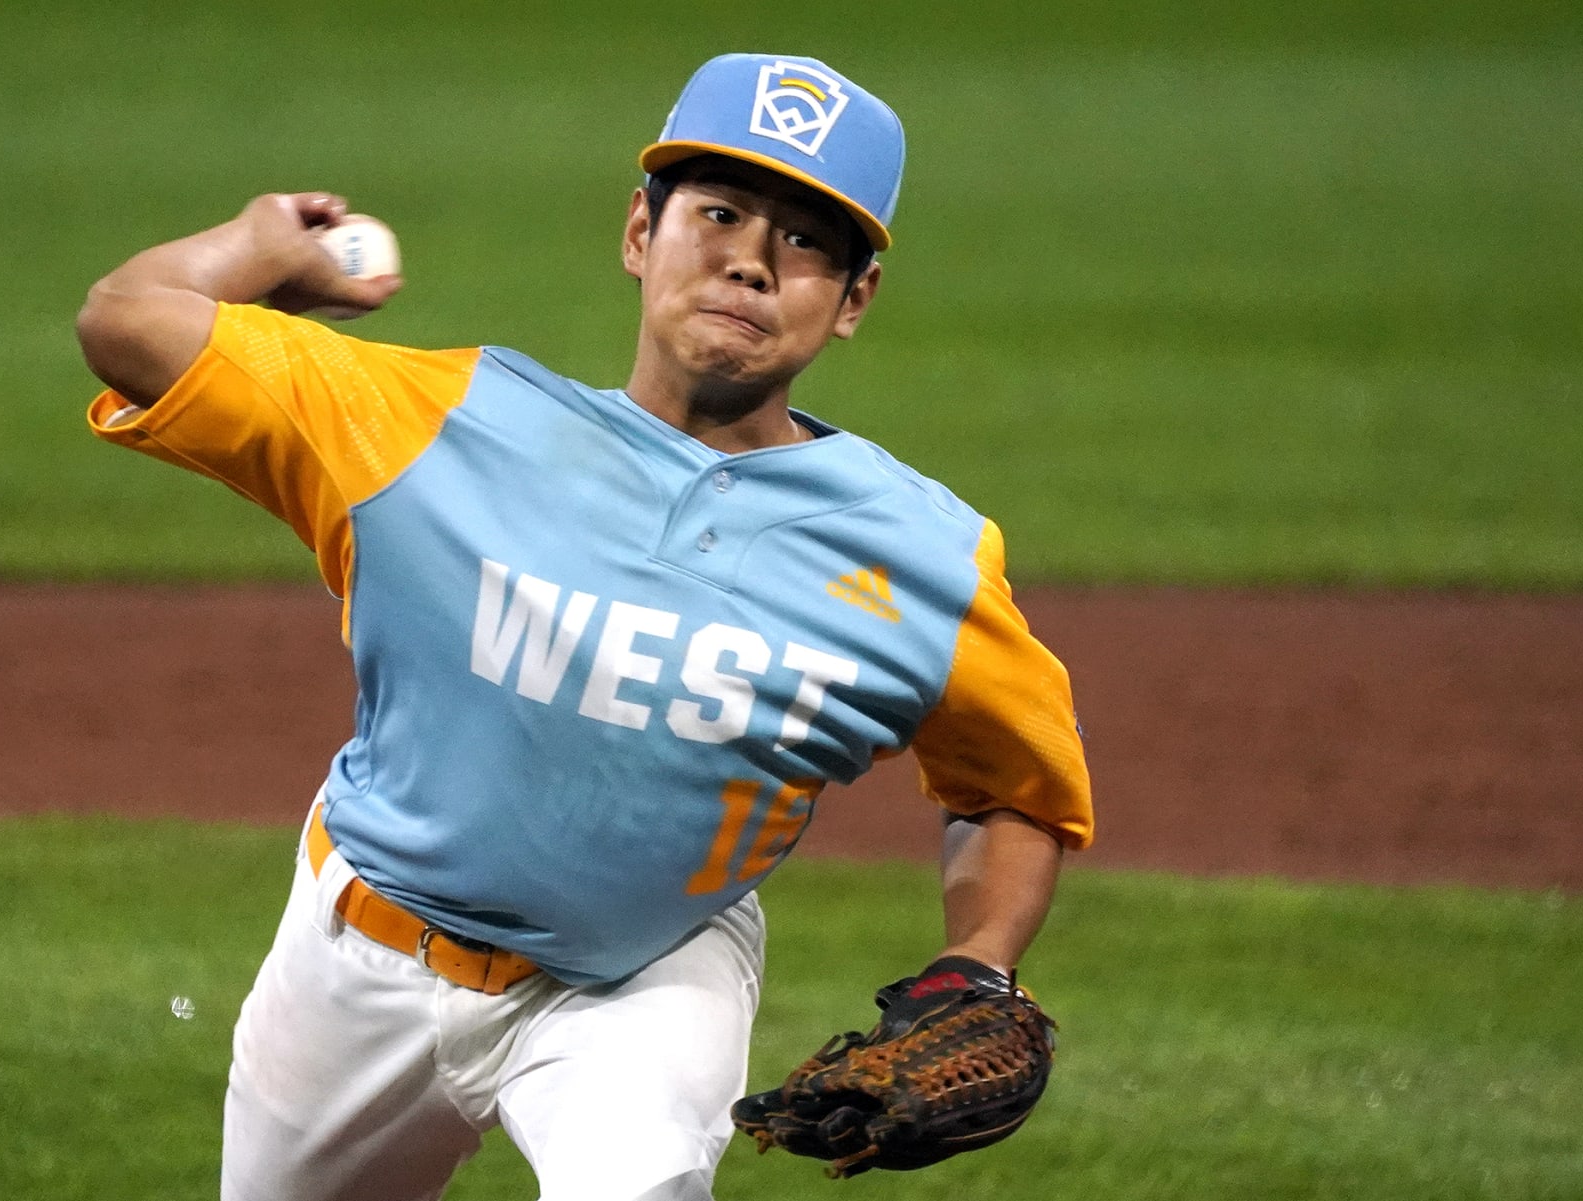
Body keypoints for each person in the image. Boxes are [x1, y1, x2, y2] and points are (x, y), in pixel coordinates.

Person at [76, 52, 1091, 1201]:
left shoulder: (927, 560)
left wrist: (980, 955)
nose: (751, 259)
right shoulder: (434, 426)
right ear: (638, 235)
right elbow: (125, 321)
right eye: (717, 213)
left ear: (852, 299)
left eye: (806, 240)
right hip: (355, 954)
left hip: (646, 980)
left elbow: (1012, 786)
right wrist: (255, 248)